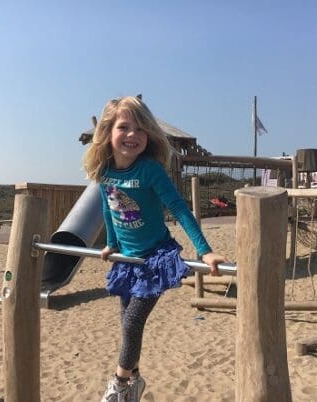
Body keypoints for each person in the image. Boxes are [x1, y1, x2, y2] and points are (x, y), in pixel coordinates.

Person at [83, 96, 228, 402]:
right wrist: (111, 243)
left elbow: (180, 209)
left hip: (155, 258)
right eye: (124, 127)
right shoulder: (105, 172)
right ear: (108, 132)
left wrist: (205, 251)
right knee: (126, 323)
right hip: (127, 260)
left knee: (133, 322)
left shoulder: (150, 171)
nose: (132, 134)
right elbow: (109, 209)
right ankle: (135, 379)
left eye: (140, 129)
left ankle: (119, 384)